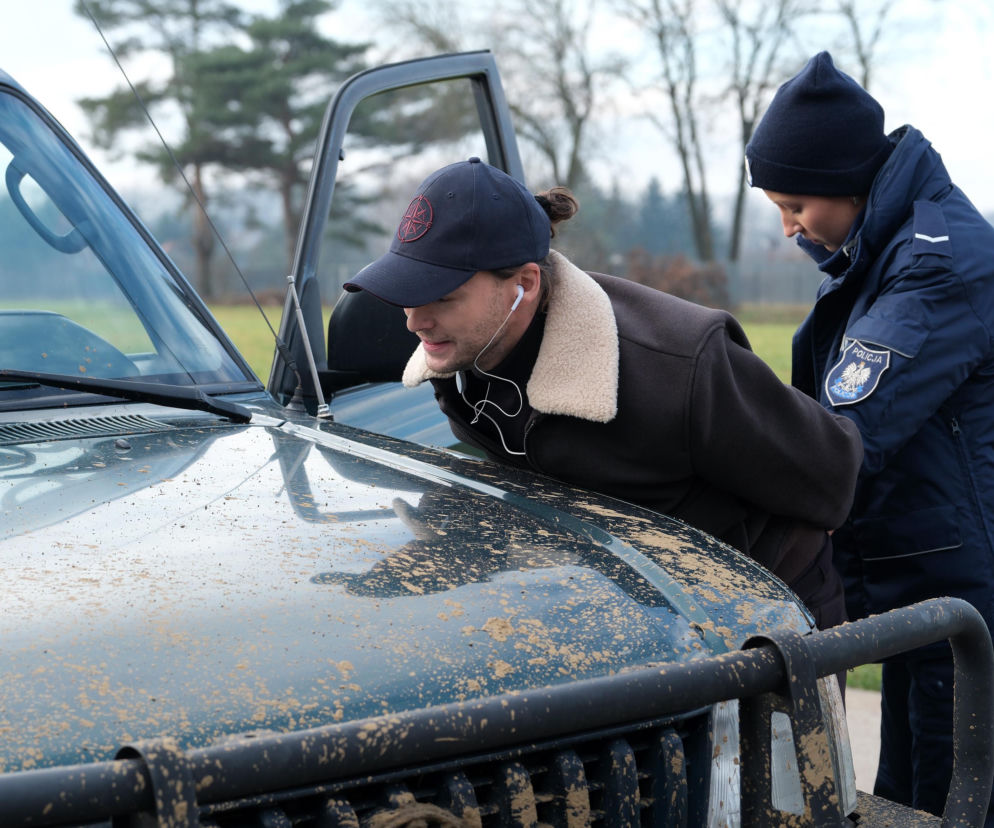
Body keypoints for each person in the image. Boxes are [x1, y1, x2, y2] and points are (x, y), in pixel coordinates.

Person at [344, 156, 862, 635]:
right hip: (630, 606)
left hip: (763, 611)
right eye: (408, 293)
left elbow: (830, 470)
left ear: (524, 283)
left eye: (440, 296)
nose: (414, 320)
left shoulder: (681, 364)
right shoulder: (458, 362)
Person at [745, 51, 994, 821]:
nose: (788, 227)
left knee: (949, 799)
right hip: (915, 579)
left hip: (958, 589)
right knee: (906, 794)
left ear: (845, 179)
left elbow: (846, 431)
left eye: (794, 204)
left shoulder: (934, 267)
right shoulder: (882, 253)